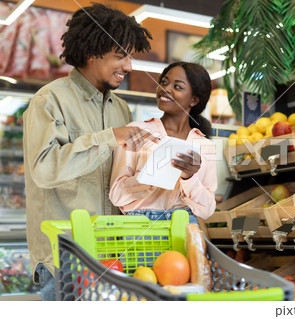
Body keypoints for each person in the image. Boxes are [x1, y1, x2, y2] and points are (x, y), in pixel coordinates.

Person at [23, 4, 155, 300]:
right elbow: (44, 170)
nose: (129, 66)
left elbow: (124, 180)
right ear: (92, 53)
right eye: (120, 55)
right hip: (64, 259)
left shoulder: (120, 108)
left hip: (113, 256)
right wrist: (108, 138)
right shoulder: (49, 100)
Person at [109, 62, 217, 224]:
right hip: (139, 230)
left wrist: (189, 178)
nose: (165, 88)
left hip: (184, 227)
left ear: (194, 100)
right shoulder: (135, 131)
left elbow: (207, 210)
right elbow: (116, 196)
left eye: (178, 87)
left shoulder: (204, 146)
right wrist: (148, 177)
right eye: (164, 82)